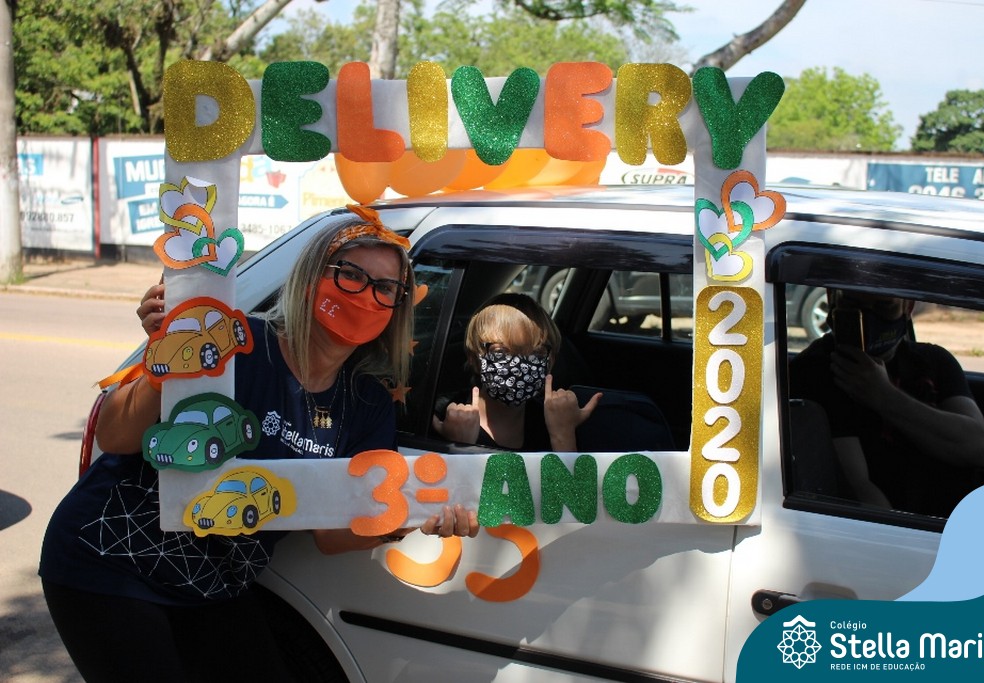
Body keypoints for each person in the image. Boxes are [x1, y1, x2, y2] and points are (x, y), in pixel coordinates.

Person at [39, 206, 479, 683]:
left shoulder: (367, 404)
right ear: (311, 278)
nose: (366, 294)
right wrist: (166, 358)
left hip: (212, 586)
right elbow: (113, 435)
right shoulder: (237, 341)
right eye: (350, 274)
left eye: (385, 288)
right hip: (109, 562)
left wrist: (410, 519)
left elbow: (331, 534)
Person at [788, 288, 984, 516]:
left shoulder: (934, 360)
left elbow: (977, 447)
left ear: (908, 307)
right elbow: (858, 490)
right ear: (832, 298)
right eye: (852, 304)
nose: (867, 316)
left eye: (884, 306)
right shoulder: (816, 372)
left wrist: (884, 395)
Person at [432, 292, 601, 451]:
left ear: (551, 362)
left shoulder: (555, 420)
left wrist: (563, 435)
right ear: (474, 359)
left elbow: (569, 475)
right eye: (501, 352)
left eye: (536, 353)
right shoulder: (444, 416)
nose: (519, 365)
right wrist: (458, 446)